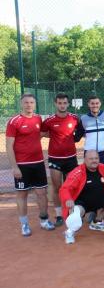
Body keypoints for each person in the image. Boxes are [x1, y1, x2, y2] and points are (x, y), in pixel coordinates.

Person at [6, 93, 55, 236]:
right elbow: (9, 146)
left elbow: (41, 133)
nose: (29, 105)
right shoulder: (14, 121)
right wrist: (14, 167)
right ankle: (24, 224)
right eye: (26, 102)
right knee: (22, 194)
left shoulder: (38, 118)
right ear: (21, 104)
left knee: (42, 193)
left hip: (38, 163)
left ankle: (44, 220)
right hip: (22, 165)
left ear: (35, 104)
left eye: (31, 102)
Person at [60, 150, 104, 244]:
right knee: (76, 214)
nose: (94, 161)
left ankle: (97, 222)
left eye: (96, 158)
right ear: (85, 160)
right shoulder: (78, 172)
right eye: (91, 159)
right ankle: (69, 233)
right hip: (82, 202)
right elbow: (65, 188)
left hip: (99, 198)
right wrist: (68, 199)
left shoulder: (101, 167)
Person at [41, 93, 79, 227]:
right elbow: (41, 133)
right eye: (59, 103)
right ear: (55, 104)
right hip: (55, 159)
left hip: (71, 158)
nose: (62, 105)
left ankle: (71, 212)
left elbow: (79, 132)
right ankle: (58, 215)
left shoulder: (75, 118)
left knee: (71, 187)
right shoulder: (49, 120)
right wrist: (53, 135)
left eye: (64, 103)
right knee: (57, 187)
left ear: (68, 104)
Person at [76, 95, 104, 167]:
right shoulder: (84, 118)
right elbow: (77, 136)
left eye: (97, 103)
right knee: (90, 176)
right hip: (89, 153)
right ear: (88, 104)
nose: (95, 105)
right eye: (92, 103)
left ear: (100, 104)